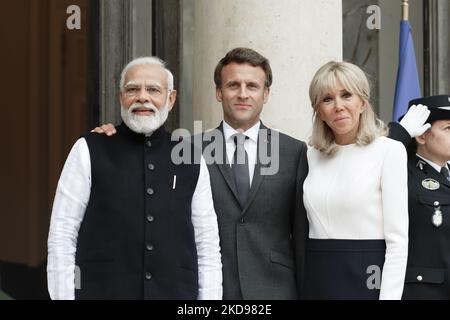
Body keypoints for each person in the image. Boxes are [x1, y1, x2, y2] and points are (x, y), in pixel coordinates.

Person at [94, 48, 309, 300]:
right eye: (232, 85)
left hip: (276, 291)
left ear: (266, 93)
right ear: (219, 92)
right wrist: (112, 138)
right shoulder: (187, 150)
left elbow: (302, 238)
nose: (242, 93)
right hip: (207, 290)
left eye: (252, 86)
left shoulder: (294, 152)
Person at [47, 57, 222, 300]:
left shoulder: (191, 157)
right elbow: (62, 234)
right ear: (121, 97)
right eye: (132, 89)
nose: (142, 97)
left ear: (170, 99)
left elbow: (207, 245)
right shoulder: (88, 149)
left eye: (153, 89)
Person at [302, 61, 409, 300]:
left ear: (362, 101)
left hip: (367, 278)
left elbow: (397, 242)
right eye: (327, 99)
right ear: (318, 109)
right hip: (317, 280)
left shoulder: (389, 151)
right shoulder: (310, 155)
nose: (338, 106)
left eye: (346, 95)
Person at [389, 95, 450, 299]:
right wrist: (400, 134)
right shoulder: (401, 171)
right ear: (422, 136)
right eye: (448, 128)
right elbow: (371, 168)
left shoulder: (447, 173)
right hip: (424, 292)